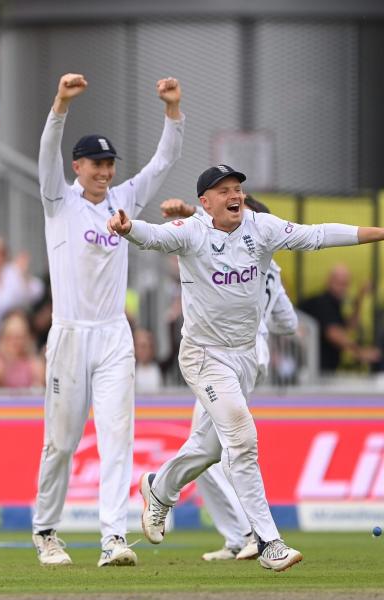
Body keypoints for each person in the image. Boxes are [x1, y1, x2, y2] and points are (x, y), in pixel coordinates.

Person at [107, 164, 384, 572]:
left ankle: (160, 487)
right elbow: (155, 237)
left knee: (209, 447)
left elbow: (318, 235)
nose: (234, 195)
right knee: (242, 439)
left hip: (244, 358)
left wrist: (376, 233)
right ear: (206, 202)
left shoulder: (261, 227)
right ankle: (269, 542)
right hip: (204, 356)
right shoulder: (193, 231)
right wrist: (129, 227)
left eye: (237, 188)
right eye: (224, 190)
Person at [31, 72, 184, 567]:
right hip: (70, 334)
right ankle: (46, 531)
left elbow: (164, 162)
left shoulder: (125, 199)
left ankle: (113, 538)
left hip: (115, 334)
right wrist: (60, 103)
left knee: (118, 436)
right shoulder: (59, 200)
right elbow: (46, 152)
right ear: (77, 166)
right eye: (96, 163)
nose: (105, 171)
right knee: (62, 441)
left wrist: (173, 111)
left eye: (109, 164)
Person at [160, 194, 299, 561]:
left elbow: (206, 241)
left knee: (226, 446)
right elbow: (289, 322)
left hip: (224, 357)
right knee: (211, 449)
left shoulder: (242, 256)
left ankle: (254, 535)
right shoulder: (274, 273)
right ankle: (240, 535)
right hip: (251, 359)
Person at [300, 264, 379, 372]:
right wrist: (359, 352)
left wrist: (360, 298)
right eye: (339, 283)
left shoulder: (336, 305)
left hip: (322, 368)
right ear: (329, 281)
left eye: (346, 284)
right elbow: (334, 333)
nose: (342, 288)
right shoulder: (323, 302)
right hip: (313, 367)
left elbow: (350, 326)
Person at [0, 236, 44, 352]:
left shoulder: (11, 272)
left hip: (11, 345)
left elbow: (38, 292)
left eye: (1, 254)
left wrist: (24, 275)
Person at [0, 310, 44, 388]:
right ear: (2, 337)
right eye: (10, 337)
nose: (15, 342)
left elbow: (39, 387)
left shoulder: (35, 365)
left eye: (19, 337)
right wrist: (9, 360)